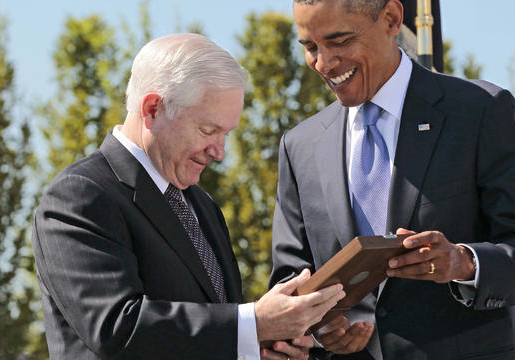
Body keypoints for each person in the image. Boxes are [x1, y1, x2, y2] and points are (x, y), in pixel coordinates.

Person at [269, 0, 515, 359]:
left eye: (340, 41)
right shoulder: (300, 146)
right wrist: (321, 329)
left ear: (391, 19)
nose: (323, 63)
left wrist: (463, 262)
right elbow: (289, 284)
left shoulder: (480, 111)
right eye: (311, 47)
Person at [32, 33, 346, 360]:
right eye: (208, 131)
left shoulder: (202, 206)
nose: (220, 152)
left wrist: (265, 345)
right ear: (152, 109)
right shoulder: (80, 196)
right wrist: (255, 324)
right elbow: (117, 328)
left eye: (226, 134)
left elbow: (210, 332)